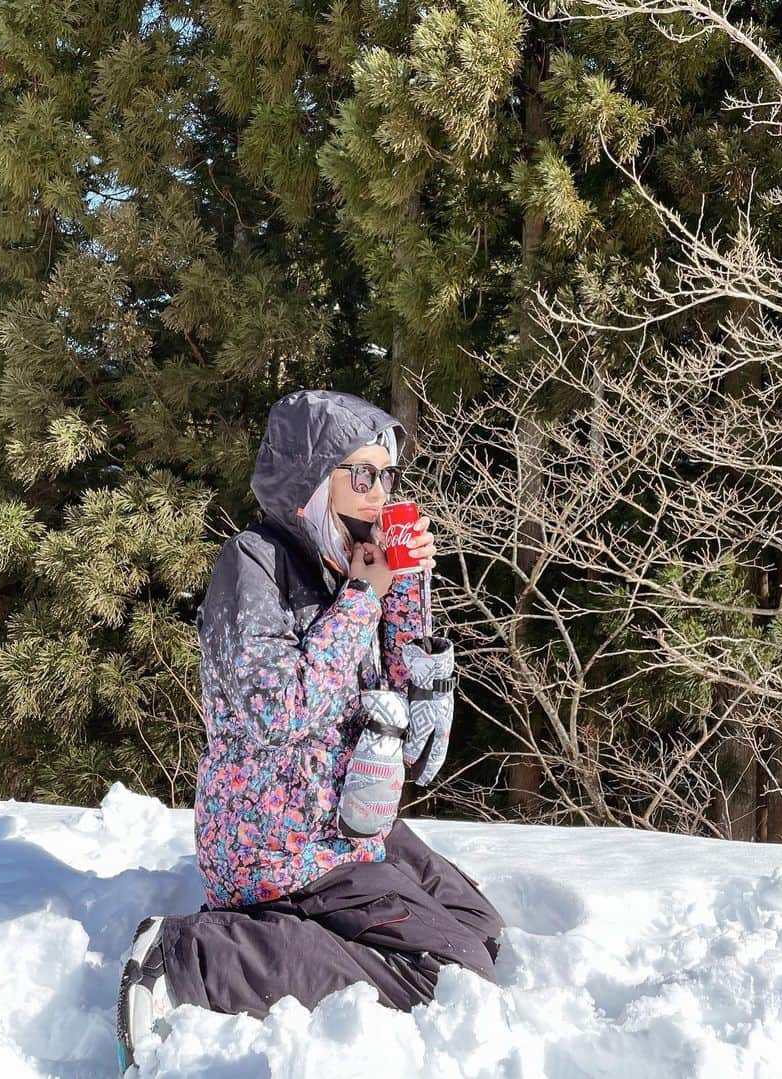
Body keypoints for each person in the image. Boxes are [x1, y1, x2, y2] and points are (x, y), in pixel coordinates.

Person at [116, 389, 504, 1073]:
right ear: (310, 475)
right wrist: (363, 598)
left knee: (481, 929)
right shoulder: (253, 562)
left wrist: (404, 590)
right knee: (450, 969)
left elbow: (416, 742)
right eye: (360, 472)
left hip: (344, 821)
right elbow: (272, 712)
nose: (378, 491)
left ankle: (292, 935)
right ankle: (196, 958)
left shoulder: (347, 565)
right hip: (276, 837)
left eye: (386, 475)